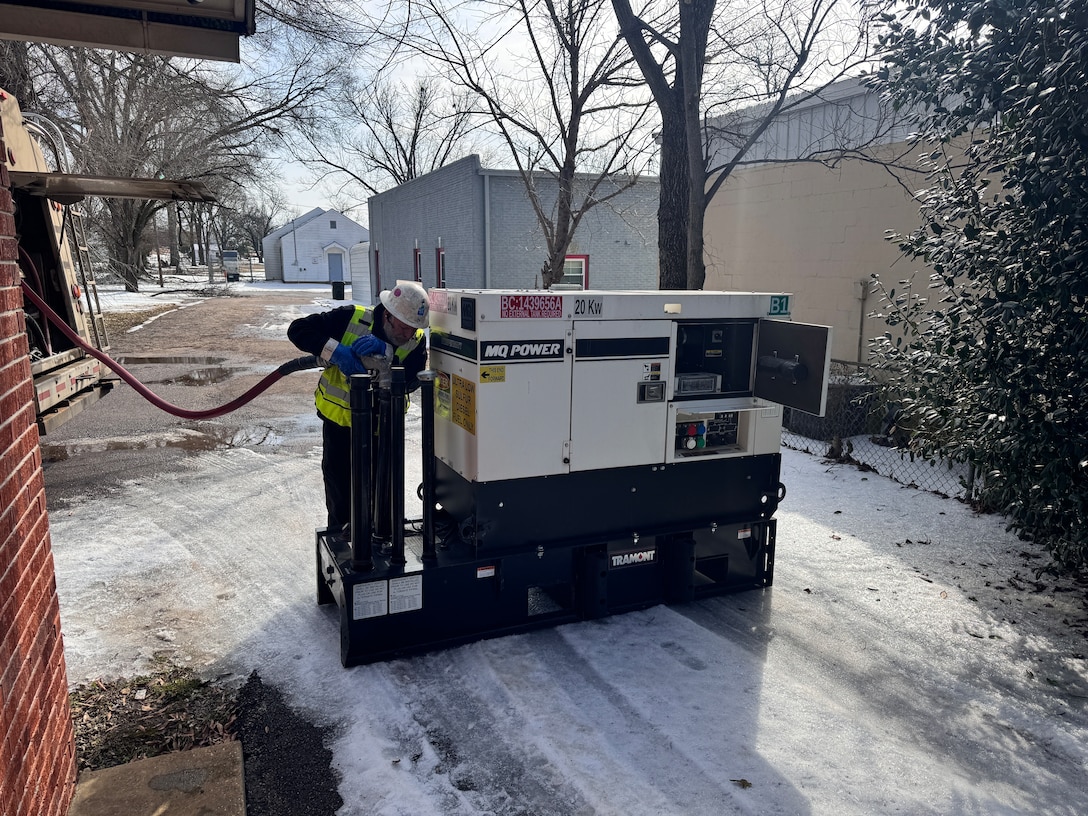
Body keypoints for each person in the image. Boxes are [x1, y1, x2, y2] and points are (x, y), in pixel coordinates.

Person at [288, 281, 429, 534]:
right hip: (341, 428)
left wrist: (388, 356)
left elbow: (412, 380)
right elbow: (298, 330)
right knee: (342, 497)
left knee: (384, 499)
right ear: (388, 315)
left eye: (414, 329)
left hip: (385, 431)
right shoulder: (351, 318)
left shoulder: (415, 341)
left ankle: (383, 545)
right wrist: (336, 352)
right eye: (405, 327)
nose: (409, 334)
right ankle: (343, 546)